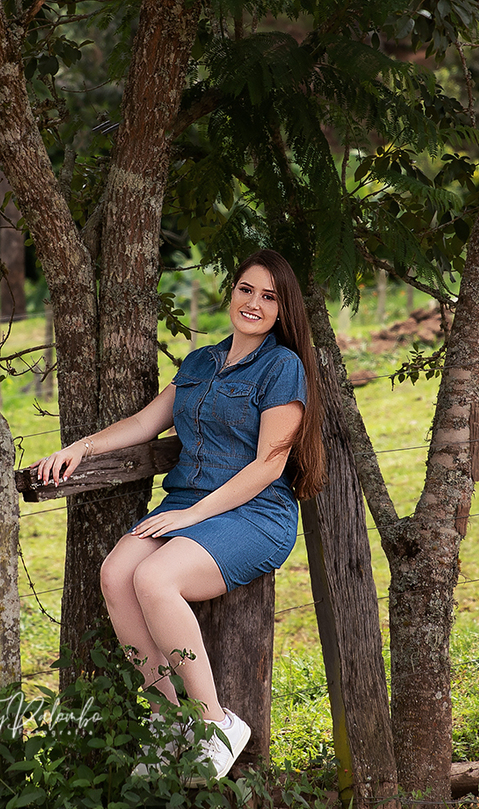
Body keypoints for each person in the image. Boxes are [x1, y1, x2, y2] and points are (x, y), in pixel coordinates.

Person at [33, 248, 325, 780]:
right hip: (188, 506)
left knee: (155, 576)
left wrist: (192, 518)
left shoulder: (283, 367)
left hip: (254, 513)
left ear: (283, 311)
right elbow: (145, 423)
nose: (254, 303)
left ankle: (215, 725)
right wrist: (81, 447)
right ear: (231, 293)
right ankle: (171, 722)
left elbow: (268, 465)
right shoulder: (200, 363)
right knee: (116, 574)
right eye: (246, 290)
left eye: (269, 296)